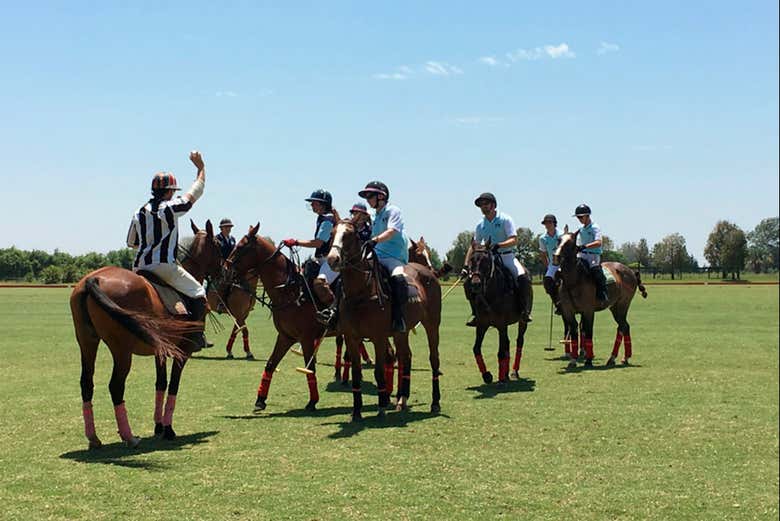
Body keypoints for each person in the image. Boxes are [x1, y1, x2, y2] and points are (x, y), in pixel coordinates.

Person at [126, 150, 208, 349]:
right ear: (170, 191)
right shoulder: (170, 207)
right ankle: (195, 338)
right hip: (164, 267)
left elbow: (131, 242)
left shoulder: (138, 211)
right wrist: (201, 169)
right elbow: (193, 195)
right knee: (199, 292)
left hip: (139, 268)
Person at [466, 192, 533, 326]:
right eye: (481, 205)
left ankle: (524, 311)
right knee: (468, 282)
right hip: (487, 258)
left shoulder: (505, 219)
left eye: (486, 204)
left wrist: (499, 245)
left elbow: (514, 239)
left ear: (493, 205)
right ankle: (476, 313)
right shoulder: (480, 224)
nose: (483, 207)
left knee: (522, 277)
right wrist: (466, 265)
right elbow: (474, 245)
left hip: (507, 256)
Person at [282, 190, 341, 322]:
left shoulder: (327, 220)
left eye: (314, 203)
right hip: (321, 259)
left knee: (320, 284)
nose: (312, 205)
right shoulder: (322, 218)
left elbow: (318, 243)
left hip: (330, 261)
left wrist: (296, 242)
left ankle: (334, 313)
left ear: (323, 204)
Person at [358, 181, 409, 332]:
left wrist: (375, 240)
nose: (367, 199)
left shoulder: (393, 211)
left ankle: (399, 317)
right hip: (376, 255)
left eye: (370, 196)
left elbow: (392, 231)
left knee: (398, 279)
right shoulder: (373, 215)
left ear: (381, 196)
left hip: (394, 256)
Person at [574, 203, 608, 303]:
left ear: (588, 215)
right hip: (581, 255)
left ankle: (602, 294)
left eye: (581, 217)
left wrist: (585, 246)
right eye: (578, 217)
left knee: (596, 272)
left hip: (593, 255)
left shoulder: (595, 227)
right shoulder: (580, 228)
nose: (579, 219)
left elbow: (598, 242)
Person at [538, 214, 561, 313]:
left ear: (554, 223)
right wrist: (548, 267)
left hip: (565, 263)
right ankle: (557, 303)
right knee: (547, 281)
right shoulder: (542, 238)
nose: (547, 225)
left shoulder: (561, 235)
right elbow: (543, 254)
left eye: (549, 222)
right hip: (553, 264)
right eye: (545, 223)